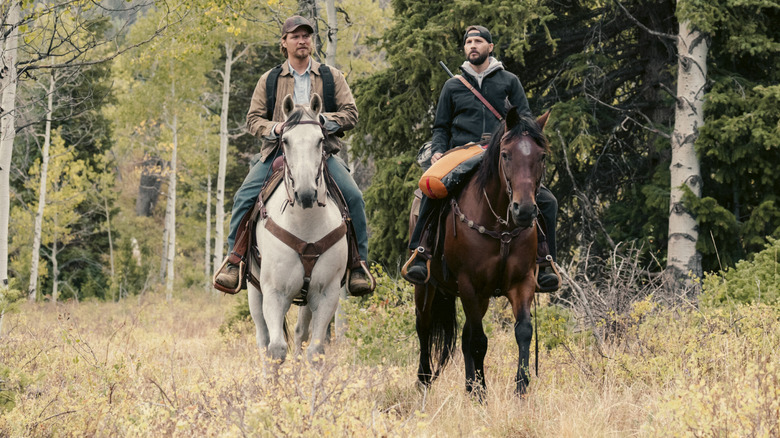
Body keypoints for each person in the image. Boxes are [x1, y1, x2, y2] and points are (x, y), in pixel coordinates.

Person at [214, 15, 373, 295]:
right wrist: (274, 127)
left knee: (355, 198)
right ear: (284, 43)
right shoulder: (271, 79)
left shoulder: (330, 76)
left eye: (306, 36)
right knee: (243, 197)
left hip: (320, 153)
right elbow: (252, 119)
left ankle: (358, 264)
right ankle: (234, 259)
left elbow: (351, 114)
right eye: (295, 36)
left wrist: (323, 122)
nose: (302, 41)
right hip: (278, 153)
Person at [403, 25, 559, 290]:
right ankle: (421, 253)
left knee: (548, 201)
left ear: (490, 47)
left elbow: (527, 122)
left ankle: (545, 261)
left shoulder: (509, 81)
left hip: (501, 154)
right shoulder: (453, 85)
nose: (472, 45)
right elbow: (440, 127)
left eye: (478, 41)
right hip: (461, 153)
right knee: (431, 191)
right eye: (468, 42)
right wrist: (439, 150)